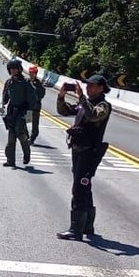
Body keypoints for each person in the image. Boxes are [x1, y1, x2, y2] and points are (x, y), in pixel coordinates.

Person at [56, 74, 113, 240]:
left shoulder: (103, 105)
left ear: (101, 88)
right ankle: (87, 226)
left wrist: (81, 97)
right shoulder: (85, 104)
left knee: (80, 188)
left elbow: (93, 116)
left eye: (92, 86)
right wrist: (61, 97)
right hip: (78, 149)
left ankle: (76, 229)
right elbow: (64, 111)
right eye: (87, 85)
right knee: (84, 187)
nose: (88, 88)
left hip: (89, 151)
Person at [1, 59, 37, 167]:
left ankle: (26, 155)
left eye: (15, 68)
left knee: (21, 135)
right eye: (11, 69)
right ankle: (10, 160)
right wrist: (2, 104)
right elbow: (5, 97)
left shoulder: (26, 82)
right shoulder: (9, 82)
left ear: (19, 69)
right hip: (12, 111)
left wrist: (29, 114)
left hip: (22, 112)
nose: (13, 71)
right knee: (11, 137)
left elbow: (32, 98)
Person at [28, 65, 46, 144]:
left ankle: (32, 139)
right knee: (22, 123)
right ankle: (25, 138)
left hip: (35, 108)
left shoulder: (39, 84)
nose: (31, 74)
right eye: (30, 72)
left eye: (33, 73)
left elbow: (41, 94)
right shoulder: (26, 81)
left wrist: (35, 98)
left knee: (35, 126)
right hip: (27, 107)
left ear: (36, 73)